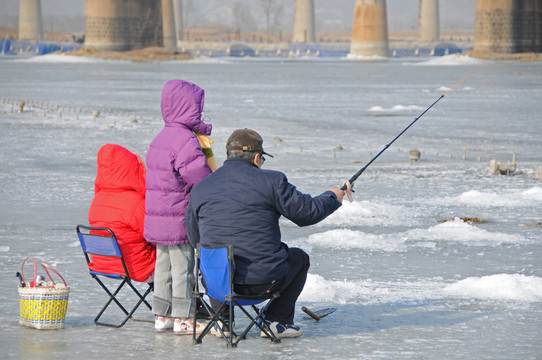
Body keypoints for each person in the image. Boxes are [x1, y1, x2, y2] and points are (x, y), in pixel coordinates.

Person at [185, 128, 352, 339]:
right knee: (299, 258)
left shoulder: (201, 187)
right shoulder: (272, 181)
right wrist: (332, 196)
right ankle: (276, 321)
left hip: (217, 285)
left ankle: (223, 320)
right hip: (262, 284)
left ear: (227, 156)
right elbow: (306, 213)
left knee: (216, 258)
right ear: (256, 158)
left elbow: (194, 237)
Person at [144, 79, 212, 335]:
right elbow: (200, 177)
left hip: (157, 220)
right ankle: (183, 317)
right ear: (187, 108)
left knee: (162, 266)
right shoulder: (185, 140)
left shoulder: (160, 138)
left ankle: (161, 315)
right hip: (178, 218)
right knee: (183, 267)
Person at [88, 143, 156, 283]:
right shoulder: (136, 203)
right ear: (130, 169)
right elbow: (155, 235)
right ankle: (174, 302)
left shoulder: (97, 200)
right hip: (136, 268)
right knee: (176, 254)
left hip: (102, 264)